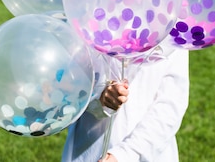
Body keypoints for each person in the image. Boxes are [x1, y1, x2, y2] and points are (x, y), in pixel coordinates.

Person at [61, 44, 189, 162]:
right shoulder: (88, 20)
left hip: (147, 150)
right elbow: (71, 79)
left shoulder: (174, 31)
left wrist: (126, 153)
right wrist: (99, 95)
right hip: (90, 147)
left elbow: (170, 106)